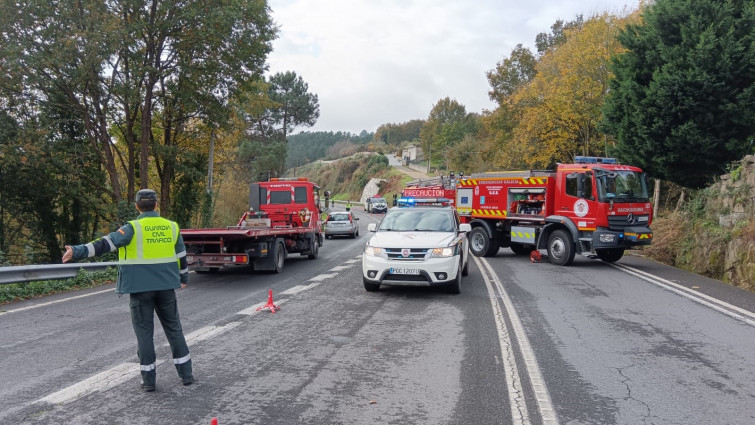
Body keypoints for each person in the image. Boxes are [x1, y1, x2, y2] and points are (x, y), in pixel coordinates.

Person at [62, 189, 193, 392]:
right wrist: (183, 277)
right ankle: (187, 375)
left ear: (137, 206)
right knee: (174, 330)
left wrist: (76, 251)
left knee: (145, 334)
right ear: (157, 205)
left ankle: (149, 381)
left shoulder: (132, 228)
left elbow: (105, 244)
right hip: (166, 288)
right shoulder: (171, 227)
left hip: (140, 290)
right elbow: (182, 255)